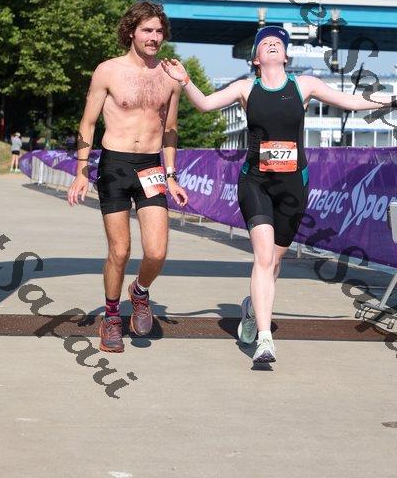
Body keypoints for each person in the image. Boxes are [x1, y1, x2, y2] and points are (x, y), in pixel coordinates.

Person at [161, 25, 397, 366]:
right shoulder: (246, 88)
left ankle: (250, 307)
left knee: (273, 262)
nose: (272, 44)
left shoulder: (304, 85)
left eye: (278, 43)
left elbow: (353, 102)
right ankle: (264, 338)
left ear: (286, 56)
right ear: (256, 59)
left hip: (293, 187)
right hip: (255, 183)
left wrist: (392, 99)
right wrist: (185, 80)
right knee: (262, 258)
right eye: (265, 43)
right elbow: (206, 105)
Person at [67, 1, 188, 353]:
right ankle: (111, 318)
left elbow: (170, 129)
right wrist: (81, 170)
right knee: (119, 251)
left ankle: (140, 292)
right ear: (131, 32)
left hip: (151, 166)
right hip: (115, 165)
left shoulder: (170, 76)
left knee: (157, 251)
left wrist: (172, 174)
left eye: (159, 31)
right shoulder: (108, 71)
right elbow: (88, 122)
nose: (154, 37)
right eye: (147, 30)